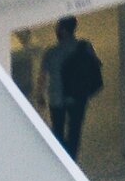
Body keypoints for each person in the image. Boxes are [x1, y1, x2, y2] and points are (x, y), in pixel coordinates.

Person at [37, 16, 101, 160]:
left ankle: (61, 157)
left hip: (56, 98)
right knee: (75, 129)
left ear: (63, 30)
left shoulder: (51, 52)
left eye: (58, 27)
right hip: (78, 96)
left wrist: (39, 95)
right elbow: (95, 65)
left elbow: (42, 77)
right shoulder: (85, 46)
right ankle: (72, 157)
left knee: (58, 129)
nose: (56, 30)